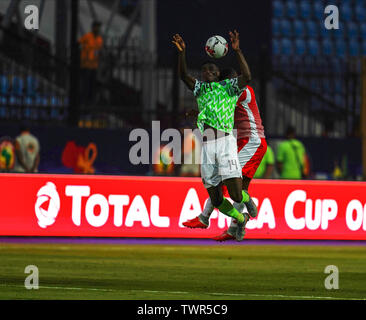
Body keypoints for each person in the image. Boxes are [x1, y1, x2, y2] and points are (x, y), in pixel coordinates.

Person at [172, 31, 255, 241]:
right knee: (217, 198)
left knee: (236, 194)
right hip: (207, 147)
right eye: (204, 70)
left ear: (218, 73)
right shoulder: (201, 89)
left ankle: (247, 199)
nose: (206, 71)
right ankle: (240, 218)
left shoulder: (229, 88)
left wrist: (237, 51)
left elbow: (247, 76)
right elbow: (183, 76)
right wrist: (182, 53)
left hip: (226, 144)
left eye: (211, 69)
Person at [183, 67, 268, 241]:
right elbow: (216, 110)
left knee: (224, 181)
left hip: (252, 141)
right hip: (241, 141)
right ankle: (234, 227)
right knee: (236, 186)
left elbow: (216, 103)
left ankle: (205, 217)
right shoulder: (228, 92)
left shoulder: (243, 91)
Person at [78, 21, 103, 106]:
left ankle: (89, 103)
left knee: (92, 86)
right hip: (86, 65)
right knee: (85, 85)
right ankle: (82, 102)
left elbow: (99, 52)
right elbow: (79, 44)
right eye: (96, 27)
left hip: (94, 66)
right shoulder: (87, 37)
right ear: (93, 27)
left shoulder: (99, 39)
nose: (98, 29)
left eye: (98, 27)